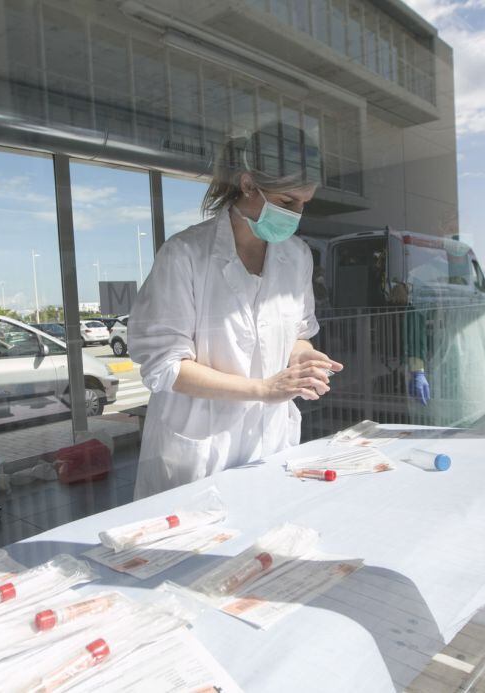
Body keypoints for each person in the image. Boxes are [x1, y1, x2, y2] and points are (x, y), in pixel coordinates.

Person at [127, 127, 343, 499]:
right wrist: (262, 389)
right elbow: (165, 366)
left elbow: (297, 333)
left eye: (304, 203)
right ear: (247, 185)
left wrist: (303, 358)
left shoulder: (297, 257)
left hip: (270, 442)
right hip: (199, 450)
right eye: (287, 201)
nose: (297, 214)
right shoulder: (184, 255)